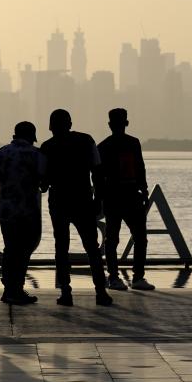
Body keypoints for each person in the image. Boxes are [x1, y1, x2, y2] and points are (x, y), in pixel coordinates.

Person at [40, 109, 113, 307]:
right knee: (92, 247)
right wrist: (99, 198)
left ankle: (66, 292)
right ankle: (100, 291)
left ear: (50, 127)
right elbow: (98, 172)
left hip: (59, 201)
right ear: (70, 123)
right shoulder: (86, 140)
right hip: (83, 199)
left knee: (61, 247)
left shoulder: (47, 147)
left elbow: (43, 184)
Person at [98, 108, 154, 291]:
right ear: (126, 123)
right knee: (138, 238)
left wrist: (99, 197)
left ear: (109, 125)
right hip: (128, 196)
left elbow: (98, 176)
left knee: (113, 239)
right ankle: (136, 277)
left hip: (114, 197)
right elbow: (140, 169)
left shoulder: (103, 146)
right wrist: (144, 191)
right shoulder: (133, 143)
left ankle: (114, 277)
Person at [0, 121, 46, 305]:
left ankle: (8, 288)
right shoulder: (36, 154)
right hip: (27, 210)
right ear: (31, 136)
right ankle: (17, 289)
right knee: (23, 251)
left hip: (5, 209)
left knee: (9, 249)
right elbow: (44, 181)